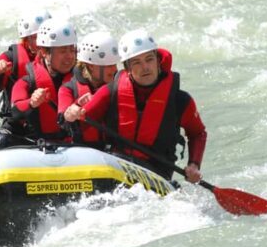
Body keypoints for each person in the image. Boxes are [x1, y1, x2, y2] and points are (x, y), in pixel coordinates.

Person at [63, 29, 206, 182]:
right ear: (128, 69)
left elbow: (198, 133)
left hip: (157, 174)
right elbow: (78, 123)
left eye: (149, 59)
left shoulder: (180, 100)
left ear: (158, 61)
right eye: (137, 62)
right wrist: (71, 113)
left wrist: (194, 164)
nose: (145, 67)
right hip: (117, 167)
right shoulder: (109, 92)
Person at [0, 17, 77, 152]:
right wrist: (31, 103)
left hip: (73, 146)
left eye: (72, 50)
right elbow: (15, 112)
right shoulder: (27, 80)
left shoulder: (83, 78)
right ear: (44, 52)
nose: (69, 56)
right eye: (63, 51)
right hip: (34, 142)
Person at [0, 10, 51, 132]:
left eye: (44, 37)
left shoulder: (59, 60)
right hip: (16, 124)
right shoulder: (9, 57)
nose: (41, 42)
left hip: (50, 125)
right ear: (26, 39)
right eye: (35, 37)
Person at [59, 31, 119, 146]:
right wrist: (72, 111)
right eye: (108, 66)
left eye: (114, 64)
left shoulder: (119, 84)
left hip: (114, 152)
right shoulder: (67, 89)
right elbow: (63, 119)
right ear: (91, 66)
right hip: (83, 152)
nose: (114, 70)